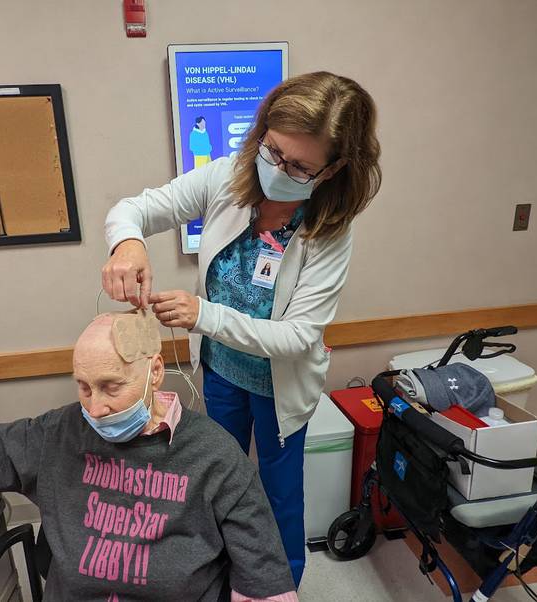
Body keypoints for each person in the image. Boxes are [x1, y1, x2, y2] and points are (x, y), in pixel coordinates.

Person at [102, 71, 381, 587]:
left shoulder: (330, 231)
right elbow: (134, 209)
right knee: (218, 483)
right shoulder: (228, 178)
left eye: (299, 166)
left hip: (280, 387)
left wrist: (204, 315)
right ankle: (224, 579)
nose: (278, 168)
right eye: (272, 151)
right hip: (222, 372)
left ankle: (279, 589)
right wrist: (129, 244)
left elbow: (298, 336)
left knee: (278, 500)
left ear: (333, 168)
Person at [0, 313, 298, 602]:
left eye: (112, 386)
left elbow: (264, 582)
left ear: (155, 372)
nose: (94, 407)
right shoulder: (59, 431)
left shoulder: (216, 457)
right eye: (83, 387)